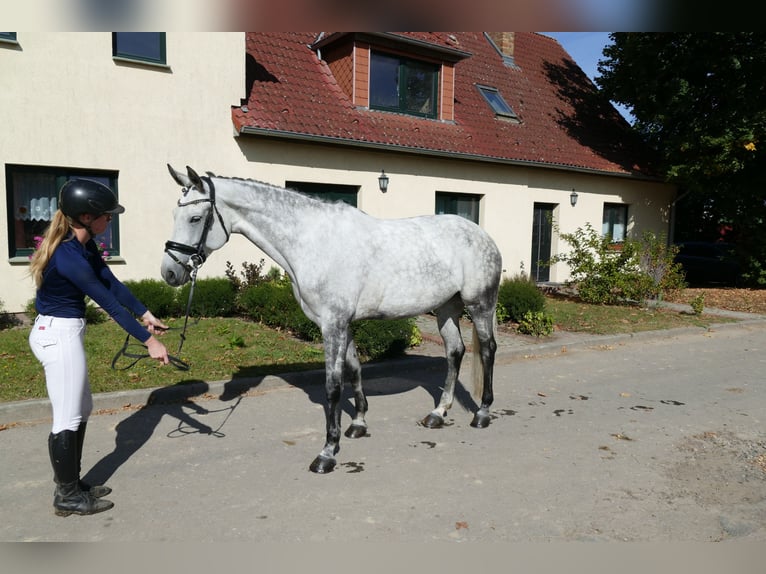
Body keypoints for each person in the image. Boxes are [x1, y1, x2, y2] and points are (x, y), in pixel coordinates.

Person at [28, 178, 170, 517]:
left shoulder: (83, 245)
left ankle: (73, 484)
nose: (111, 220)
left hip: (65, 333)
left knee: (84, 407)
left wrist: (146, 313)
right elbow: (107, 302)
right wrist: (149, 342)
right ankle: (66, 496)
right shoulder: (67, 256)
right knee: (67, 416)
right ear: (87, 216)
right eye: (107, 215)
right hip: (57, 335)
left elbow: (110, 281)